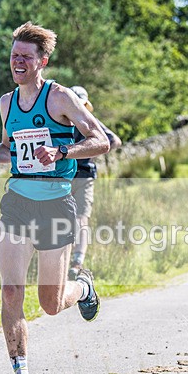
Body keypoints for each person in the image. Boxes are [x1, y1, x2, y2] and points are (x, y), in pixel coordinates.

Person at [0, 22, 109, 374]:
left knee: (50, 302)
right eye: (14, 56)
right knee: (11, 291)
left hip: (56, 204)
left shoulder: (60, 98)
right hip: (17, 202)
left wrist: (62, 153)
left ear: (42, 61)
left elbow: (101, 141)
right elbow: (8, 152)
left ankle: (83, 288)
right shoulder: (6, 103)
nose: (18, 62)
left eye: (25, 57)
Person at [67, 85, 122, 280]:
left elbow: (113, 140)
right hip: (68, 175)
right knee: (69, 219)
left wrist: (94, 150)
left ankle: (75, 262)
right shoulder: (80, 121)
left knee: (79, 218)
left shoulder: (67, 119)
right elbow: (114, 140)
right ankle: (67, 262)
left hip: (78, 175)